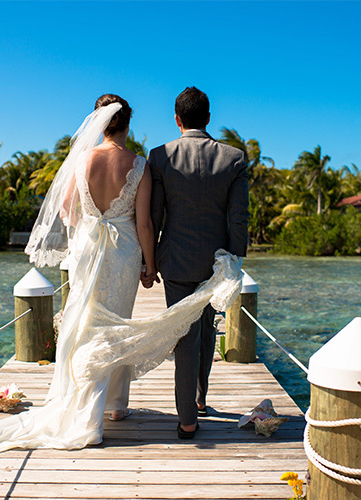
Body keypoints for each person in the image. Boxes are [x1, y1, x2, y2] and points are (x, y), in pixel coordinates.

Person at [0, 94, 242, 456]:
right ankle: (113, 405)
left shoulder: (80, 160)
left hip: (87, 249)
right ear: (128, 124)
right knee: (115, 326)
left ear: (99, 123)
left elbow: (67, 208)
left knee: (83, 323)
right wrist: (150, 264)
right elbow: (144, 222)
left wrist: (88, 232)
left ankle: (83, 400)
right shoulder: (139, 164)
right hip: (123, 253)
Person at [147, 86, 249, 439]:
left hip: (174, 259)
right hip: (217, 261)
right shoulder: (234, 158)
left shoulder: (160, 156)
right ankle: (201, 398)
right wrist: (234, 261)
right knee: (207, 329)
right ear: (208, 118)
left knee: (184, 337)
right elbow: (238, 218)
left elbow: (154, 215)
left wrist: (150, 260)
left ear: (177, 119)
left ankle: (188, 418)